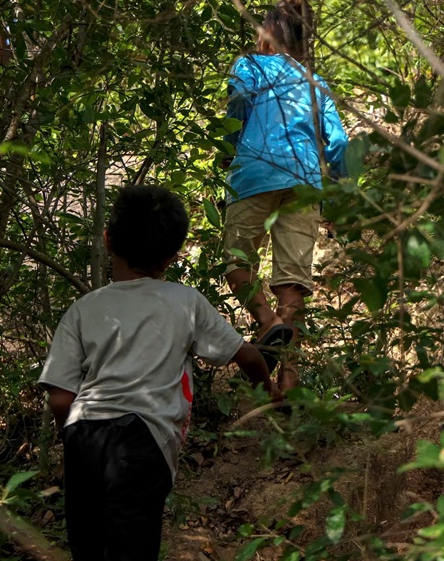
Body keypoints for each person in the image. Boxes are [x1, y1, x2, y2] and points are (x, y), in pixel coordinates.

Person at [39, 184, 278, 561]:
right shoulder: (184, 301)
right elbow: (245, 354)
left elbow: (60, 397)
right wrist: (269, 389)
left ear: (107, 240)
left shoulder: (83, 309)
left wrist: (68, 434)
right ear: (171, 256)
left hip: (83, 436)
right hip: (142, 439)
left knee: (88, 546)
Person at [222, 0, 348, 395]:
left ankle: (267, 322)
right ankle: (288, 380)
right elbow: (341, 143)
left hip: (255, 173)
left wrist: (228, 148)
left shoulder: (250, 66)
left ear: (269, 36)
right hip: (305, 180)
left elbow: (237, 103)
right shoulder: (316, 83)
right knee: (293, 281)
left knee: (236, 262)